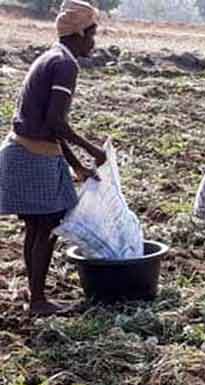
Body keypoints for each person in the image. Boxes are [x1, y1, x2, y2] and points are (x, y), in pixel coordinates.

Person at [0, 0, 106, 316]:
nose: (94, 42)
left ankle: (36, 296)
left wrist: (75, 166)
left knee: (36, 227)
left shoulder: (51, 57)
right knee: (45, 226)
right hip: (33, 156)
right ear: (79, 33)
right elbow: (56, 122)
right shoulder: (65, 64)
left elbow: (51, 126)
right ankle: (39, 301)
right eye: (92, 34)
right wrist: (94, 151)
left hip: (25, 149)